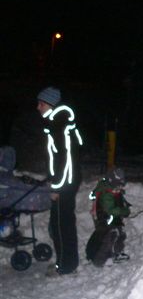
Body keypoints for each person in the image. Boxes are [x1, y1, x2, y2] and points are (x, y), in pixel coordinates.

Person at [36, 86, 83, 276]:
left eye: (41, 104)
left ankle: (65, 267)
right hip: (66, 181)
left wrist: (58, 187)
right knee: (63, 223)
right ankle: (67, 264)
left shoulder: (59, 124)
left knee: (61, 226)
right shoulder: (58, 122)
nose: (38, 107)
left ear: (50, 104)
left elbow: (66, 159)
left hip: (65, 184)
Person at [86, 167, 131, 266]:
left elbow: (117, 200)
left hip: (108, 218)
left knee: (119, 233)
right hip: (104, 219)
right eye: (118, 185)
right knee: (110, 236)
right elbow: (111, 209)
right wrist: (124, 211)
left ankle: (116, 253)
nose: (119, 187)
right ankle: (102, 259)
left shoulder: (110, 188)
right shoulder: (106, 193)